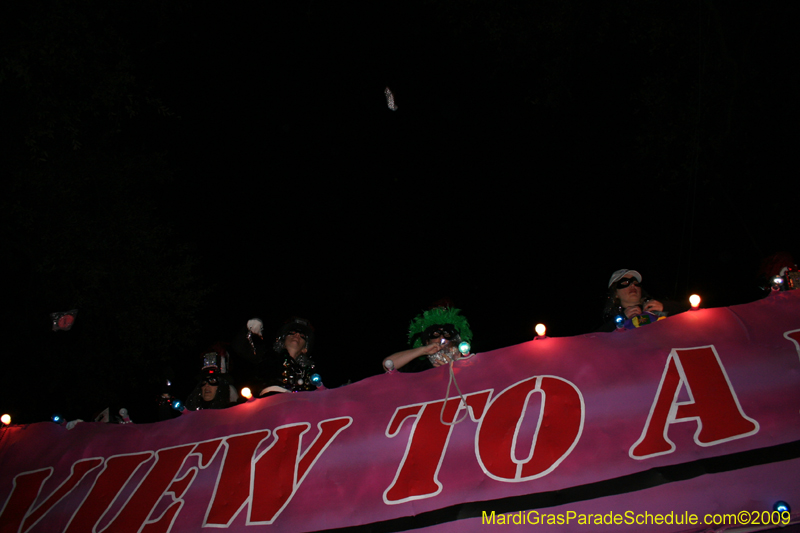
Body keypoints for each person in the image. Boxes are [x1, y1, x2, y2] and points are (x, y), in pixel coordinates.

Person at [230, 317, 320, 396]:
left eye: (302, 335)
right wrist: (249, 329)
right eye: (292, 332)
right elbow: (240, 346)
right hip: (268, 404)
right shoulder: (266, 356)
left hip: (295, 408)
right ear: (283, 341)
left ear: (305, 349)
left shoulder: (308, 373)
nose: (296, 335)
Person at [383, 306, 473, 373]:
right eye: (436, 334)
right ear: (427, 341)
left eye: (447, 334)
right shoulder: (417, 368)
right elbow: (387, 364)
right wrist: (423, 350)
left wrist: (456, 370)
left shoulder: (466, 363)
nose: (442, 339)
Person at [599, 269, 685, 332]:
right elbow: (593, 338)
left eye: (635, 283)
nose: (632, 285)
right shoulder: (611, 318)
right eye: (625, 283)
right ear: (615, 293)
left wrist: (665, 306)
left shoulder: (656, 307)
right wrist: (621, 319)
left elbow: (693, 313)